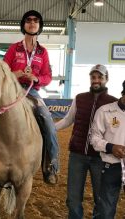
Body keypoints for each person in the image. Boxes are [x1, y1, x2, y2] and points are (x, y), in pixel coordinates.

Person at [0, 10, 59, 185]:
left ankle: (52, 166)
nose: (32, 23)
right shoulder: (13, 48)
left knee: (48, 123)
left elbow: (47, 77)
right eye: (29, 20)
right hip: (10, 90)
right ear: (23, 25)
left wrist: (36, 78)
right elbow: (1, 71)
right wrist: (15, 73)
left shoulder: (42, 52)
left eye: (35, 20)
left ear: (39, 26)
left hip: (31, 92)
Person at [55, 64, 117, 218]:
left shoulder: (113, 103)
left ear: (106, 79)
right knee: (73, 198)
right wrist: (50, 128)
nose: (96, 80)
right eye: (93, 77)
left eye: (99, 77)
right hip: (77, 155)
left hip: (101, 158)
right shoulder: (79, 98)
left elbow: (116, 129)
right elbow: (67, 120)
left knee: (100, 198)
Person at [90, 80, 125, 219]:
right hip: (111, 166)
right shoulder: (105, 111)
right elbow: (94, 138)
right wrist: (111, 147)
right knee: (105, 211)